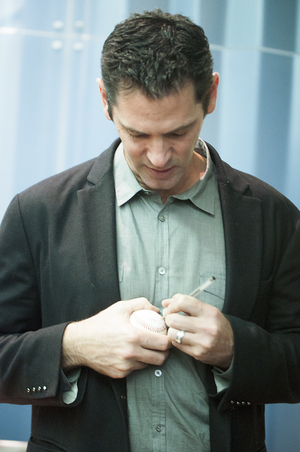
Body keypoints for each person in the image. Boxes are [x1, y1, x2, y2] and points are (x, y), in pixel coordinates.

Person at [0, 9, 299, 452]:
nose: (159, 157)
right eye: (137, 133)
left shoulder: (274, 217)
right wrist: (75, 345)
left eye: (178, 132)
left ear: (211, 94)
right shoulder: (38, 212)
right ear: (105, 100)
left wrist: (236, 348)